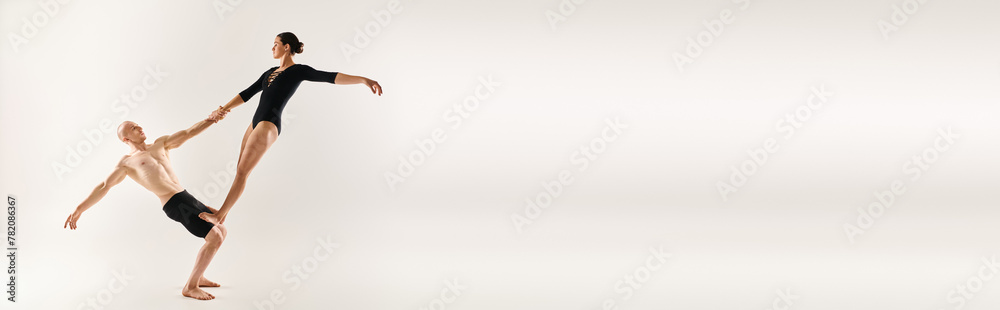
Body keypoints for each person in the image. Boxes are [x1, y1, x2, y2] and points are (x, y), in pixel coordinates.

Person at [199, 32, 382, 225]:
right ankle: (223, 213)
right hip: (254, 123)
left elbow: (330, 77)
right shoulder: (269, 72)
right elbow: (247, 93)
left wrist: (363, 79)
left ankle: (219, 216)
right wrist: (222, 109)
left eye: (276, 44)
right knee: (240, 171)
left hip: (268, 124)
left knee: (243, 171)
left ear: (287, 47)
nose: (272, 48)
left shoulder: (298, 70)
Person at [64, 108, 231, 300]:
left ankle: (199, 277)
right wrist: (79, 209)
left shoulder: (160, 144)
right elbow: (104, 186)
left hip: (186, 196)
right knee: (215, 237)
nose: (140, 128)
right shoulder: (127, 163)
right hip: (173, 203)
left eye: (138, 125)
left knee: (221, 229)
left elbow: (188, 133)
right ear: (126, 139)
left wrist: (211, 119)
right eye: (134, 128)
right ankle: (190, 287)